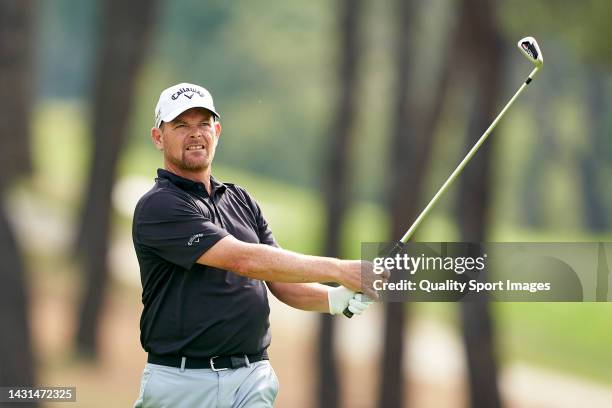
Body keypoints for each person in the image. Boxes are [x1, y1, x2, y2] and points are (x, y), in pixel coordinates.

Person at [132, 83, 387, 408]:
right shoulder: (159, 206)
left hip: (252, 377)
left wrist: (336, 300)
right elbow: (243, 260)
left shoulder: (241, 201)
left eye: (204, 124)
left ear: (217, 131)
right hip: (182, 383)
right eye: (181, 125)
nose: (195, 134)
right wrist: (340, 270)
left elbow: (278, 277)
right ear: (158, 137)